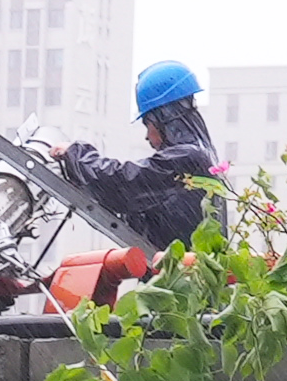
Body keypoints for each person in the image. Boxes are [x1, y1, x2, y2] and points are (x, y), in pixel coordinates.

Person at [45, 59, 227, 273]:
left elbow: (122, 184)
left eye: (147, 124)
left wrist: (74, 154)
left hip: (180, 288)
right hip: (185, 285)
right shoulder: (202, 157)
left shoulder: (187, 157)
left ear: (164, 118)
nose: (147, 137)